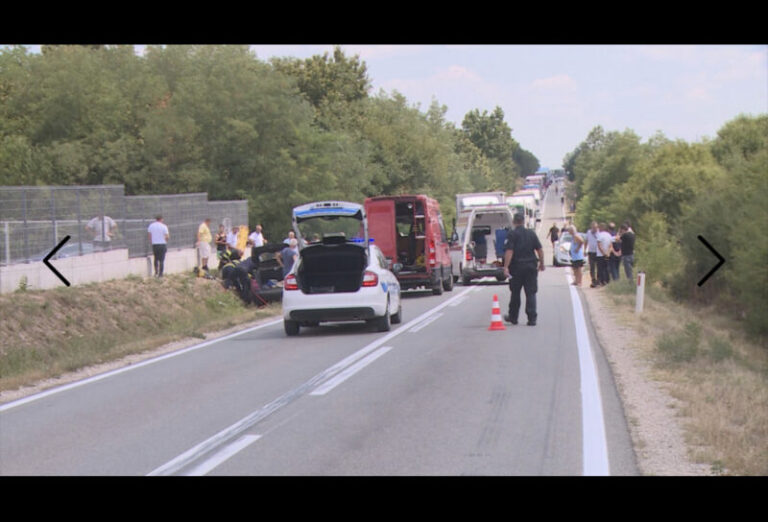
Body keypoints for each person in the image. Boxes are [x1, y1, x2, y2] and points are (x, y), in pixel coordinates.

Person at [503, 213, 545, 326]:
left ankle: (513, 317)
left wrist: (506, 267)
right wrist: (542, 263)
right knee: (531, 292)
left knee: (515, 292)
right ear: (523, 221)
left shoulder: (512, 234)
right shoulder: (531, 233)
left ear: (514, 222)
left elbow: (509, 251)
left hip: (516, 268)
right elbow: (540, 249)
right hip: (531, 267)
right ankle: (532, 318)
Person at [586, 221, 600, 287]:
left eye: (596, 227)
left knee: (598, 267)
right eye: (594, 227)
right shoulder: (588, 232)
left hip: (598, 252)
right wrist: (585, 249)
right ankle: (593, 280)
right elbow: (586, 241)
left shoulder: (599, 233)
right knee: (592, 267)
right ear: (591, 227)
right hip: (591, 252)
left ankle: (598, 280)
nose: (595, 229)